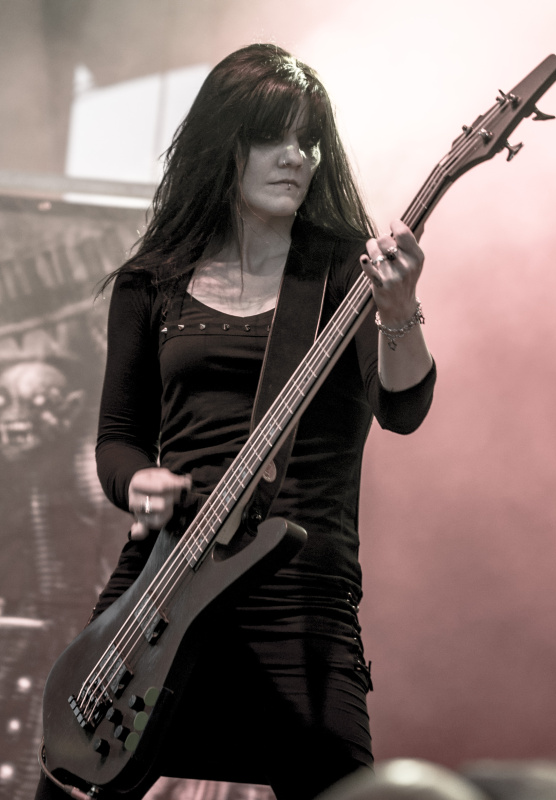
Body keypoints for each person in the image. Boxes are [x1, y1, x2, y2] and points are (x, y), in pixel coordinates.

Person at [36, 43, 436, 800]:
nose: (296, 156)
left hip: (296, 590)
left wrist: (398, 311)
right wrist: (139, 483)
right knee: (68, 783)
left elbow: (404, 408)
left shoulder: (343, 271)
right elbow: (117, 439)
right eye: (272, 137)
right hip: (162, 581)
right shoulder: (151, 280)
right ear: (225, 142)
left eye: (308, 139)